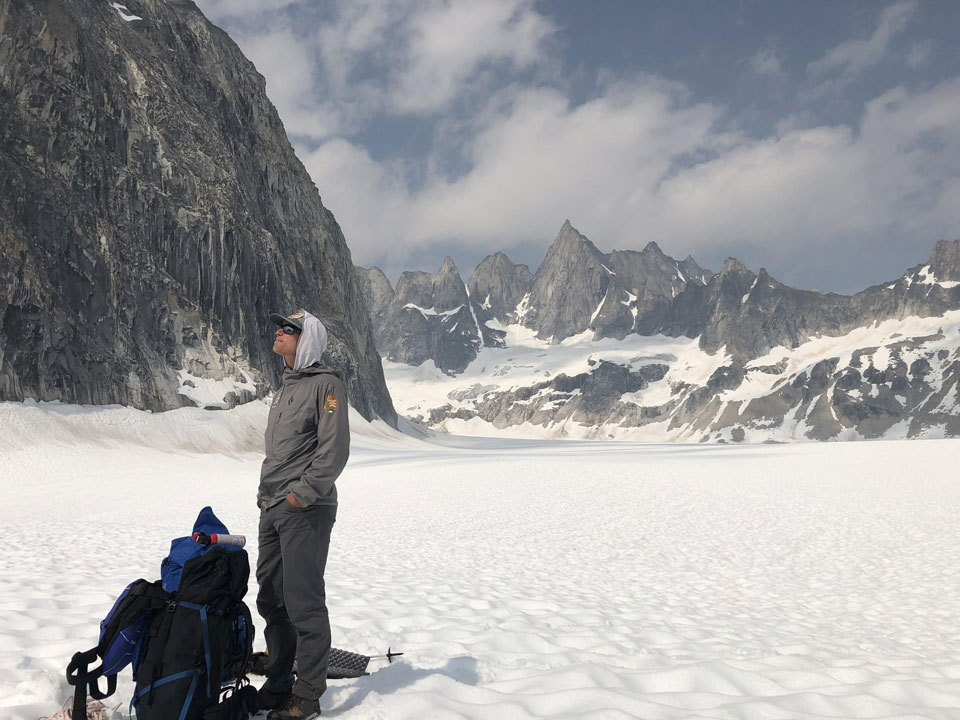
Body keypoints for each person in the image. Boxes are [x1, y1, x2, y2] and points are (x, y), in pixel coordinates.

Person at [255, 308, 350, 720]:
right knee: (272, 599)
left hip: (304, 510)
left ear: (307, 338)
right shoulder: (284, 389)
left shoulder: (326, 386)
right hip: (273, 508)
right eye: (279, 326)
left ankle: (307, 696)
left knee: (303, 602)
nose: (279, 331)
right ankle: (278, 685)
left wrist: (300, 496)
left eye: (289, 329)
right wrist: (266, 497)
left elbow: (333, 452)